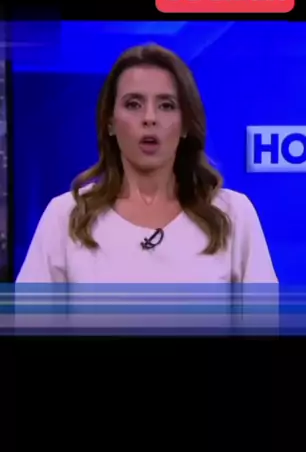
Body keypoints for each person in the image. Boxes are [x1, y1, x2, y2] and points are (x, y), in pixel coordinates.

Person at [16, 43, 278, 289]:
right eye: (133, 104)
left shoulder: (232, 215)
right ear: (110, 122)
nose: (150, 118)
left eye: (166, 105)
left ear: (185, 124)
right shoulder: (66, 217)